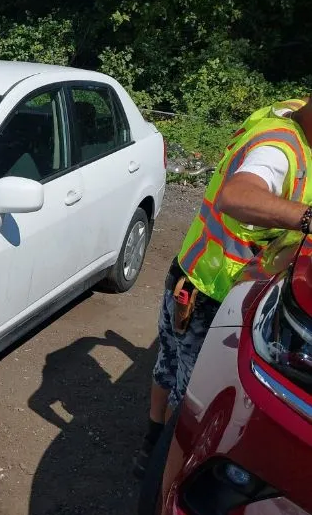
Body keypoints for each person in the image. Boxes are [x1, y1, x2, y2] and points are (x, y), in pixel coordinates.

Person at [133, 96, 312, 478]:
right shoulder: (278, 150)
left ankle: (151, 439)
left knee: (167, 361)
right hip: (211, 293)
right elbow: (236, 195)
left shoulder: (286, 109)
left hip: (190, 273)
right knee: (191, 390)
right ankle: (164, 471)